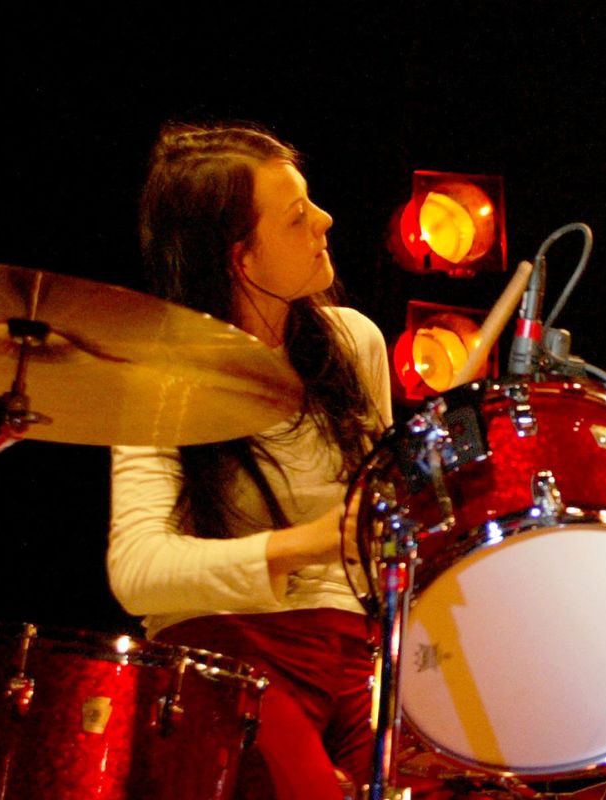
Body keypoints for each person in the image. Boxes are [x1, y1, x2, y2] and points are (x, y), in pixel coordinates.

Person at [107, 122, 392, 799]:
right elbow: (136, 571)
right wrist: (307, 545)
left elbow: (378, 542)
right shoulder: (160, 374)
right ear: (241, 259)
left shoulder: (355, 343)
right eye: (297, 218)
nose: (324, 220)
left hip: (356, 653)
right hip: (224, 654)